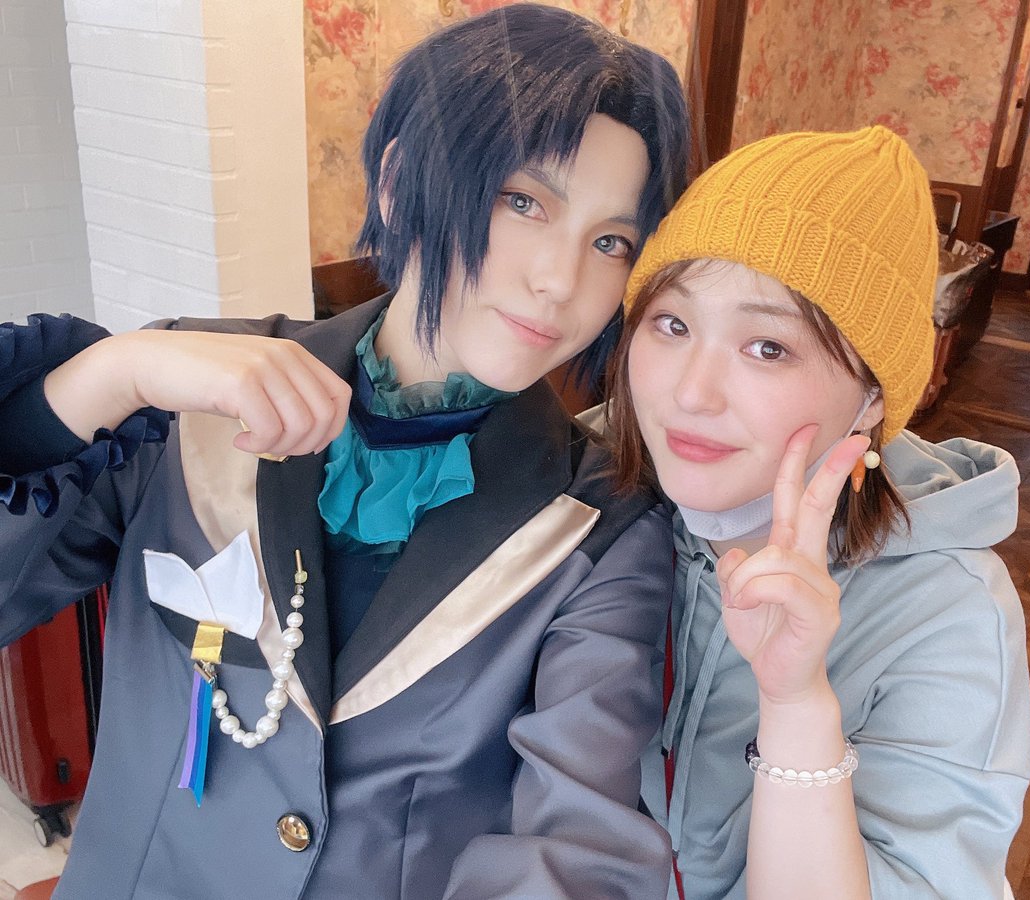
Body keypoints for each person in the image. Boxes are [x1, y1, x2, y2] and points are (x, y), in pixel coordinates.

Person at [0, 5, 689, 897]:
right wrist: (113, 374)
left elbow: (577, 846)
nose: (562, 280)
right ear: (399, 183)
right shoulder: (187, 401)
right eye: (523, 202)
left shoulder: (601, 528)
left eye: (610, 242)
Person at [605, 127, 1030, 898]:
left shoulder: (947, 615)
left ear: (871, 400)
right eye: (672, 324)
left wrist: (796, 704)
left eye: (768, 347)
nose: (691, 393)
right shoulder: (587, 490)